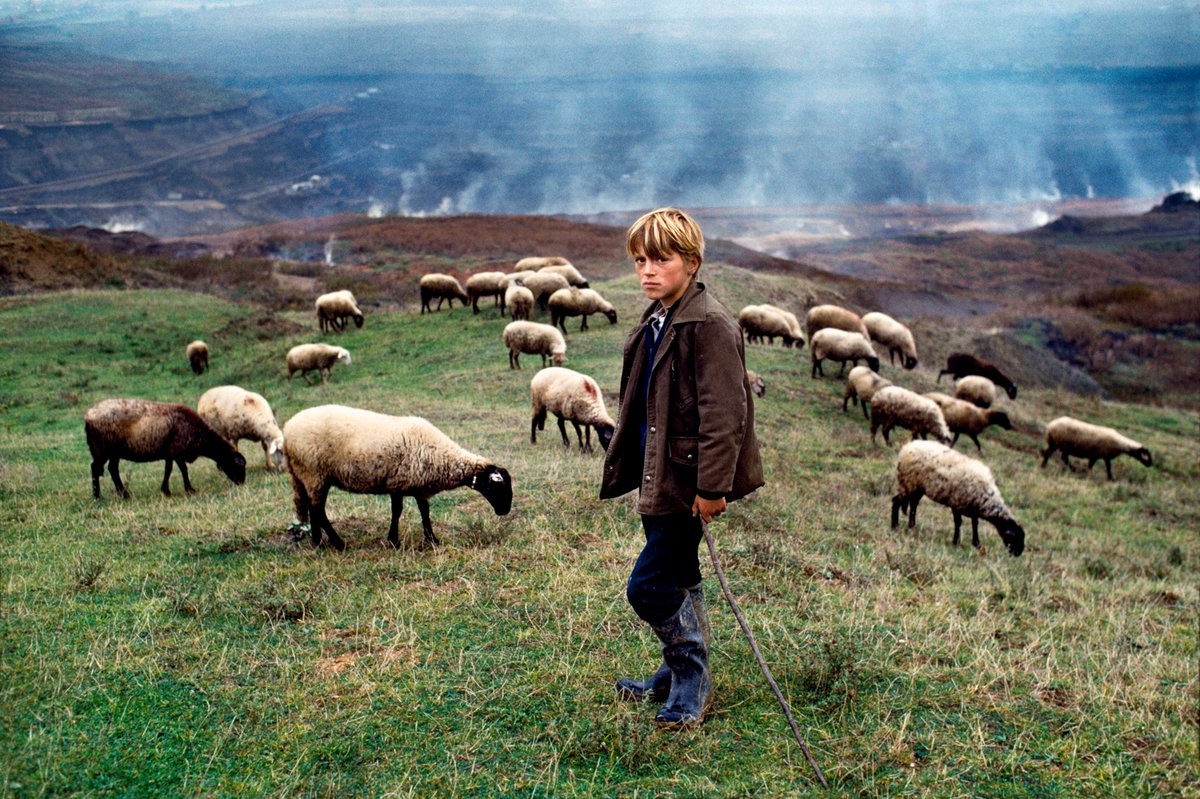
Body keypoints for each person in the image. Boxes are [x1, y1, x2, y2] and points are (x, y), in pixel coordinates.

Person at [600, 207, 763, 728]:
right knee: (681, 572)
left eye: (661, 259)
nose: (647, 270)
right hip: (660, 474)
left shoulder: (710, 323)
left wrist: (712, 487)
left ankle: (692, 677)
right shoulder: (660, 315)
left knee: (647, 586)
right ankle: (673, 675)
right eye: (640, 260)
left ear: (691, 263)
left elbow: (725, 413)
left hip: (687, 481)